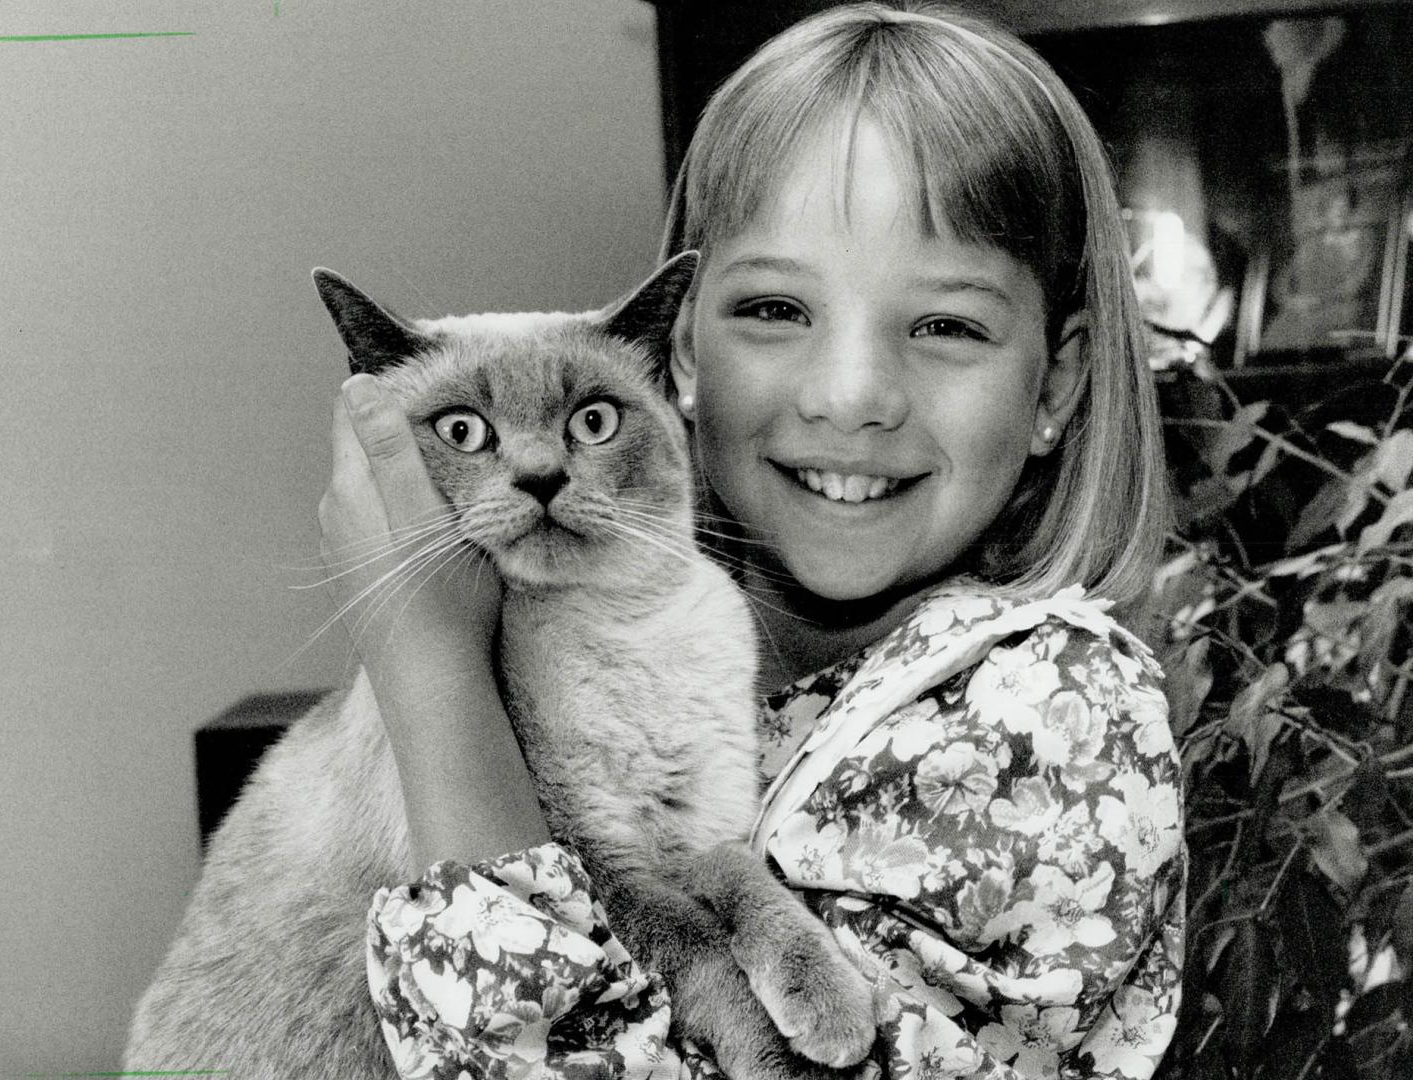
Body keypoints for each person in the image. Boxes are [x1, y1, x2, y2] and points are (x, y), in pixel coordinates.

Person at [322, 4, 1185, 1077]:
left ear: (1055, 384)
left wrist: (429, 668)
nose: (852, 396)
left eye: (946, 325)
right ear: (677, 354)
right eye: (778, 310)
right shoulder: (681, 637)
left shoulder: (1049, 707)